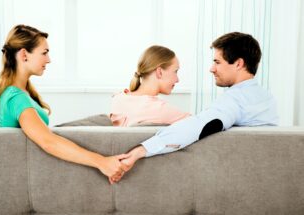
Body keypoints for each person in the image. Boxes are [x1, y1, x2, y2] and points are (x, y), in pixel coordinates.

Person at [117, 32, 279, 180]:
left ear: (238, 64)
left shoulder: (235, 100)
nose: (211, 69)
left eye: (217, 62)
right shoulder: (265, 97)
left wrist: (141, 150)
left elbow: (197, 126)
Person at [0, 24, 128, 184]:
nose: (48, 59)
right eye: (44, 53)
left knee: (104, 120)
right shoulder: (16, 98)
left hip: (29, 163)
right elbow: (48, 142)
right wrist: (101, 162)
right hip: (29, 171)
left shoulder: (5, 86)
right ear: (24, 55)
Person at [110, 45, 190, 126]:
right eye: (175, 71)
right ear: (159, 72)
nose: (177, 79)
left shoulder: (118, 98)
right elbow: (198, 125)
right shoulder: (158, 108)